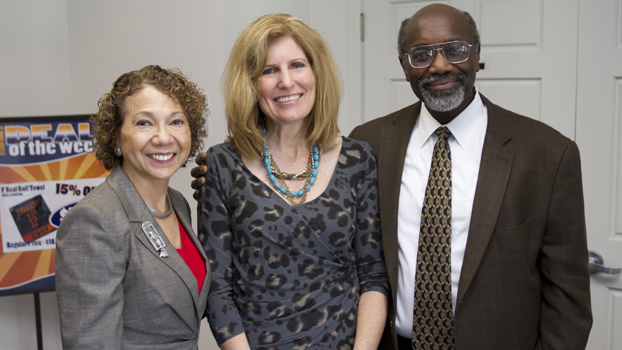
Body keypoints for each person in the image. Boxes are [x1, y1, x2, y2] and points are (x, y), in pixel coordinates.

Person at [348, 4, 592, 350]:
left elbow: (569, 297)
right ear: (404, 67)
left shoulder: (548, 153)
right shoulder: (369, 142)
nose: (440, 65)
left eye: (455, 50)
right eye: (421, 55)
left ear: (477, 54)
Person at [196, 14, 389, 350]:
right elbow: (217, 289)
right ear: (251, 83)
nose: (286, 81)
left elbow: (372, 275)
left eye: (297, 65)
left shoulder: (358, 159)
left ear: (317, 73)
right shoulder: (222, 164)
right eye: (269, 70)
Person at [56, 65, 210, 350]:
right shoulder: (94, 220)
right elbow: (92, 344)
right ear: (116, 136)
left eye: (176, 122)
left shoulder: (178, 203)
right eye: (144, 123)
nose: (163, 137)